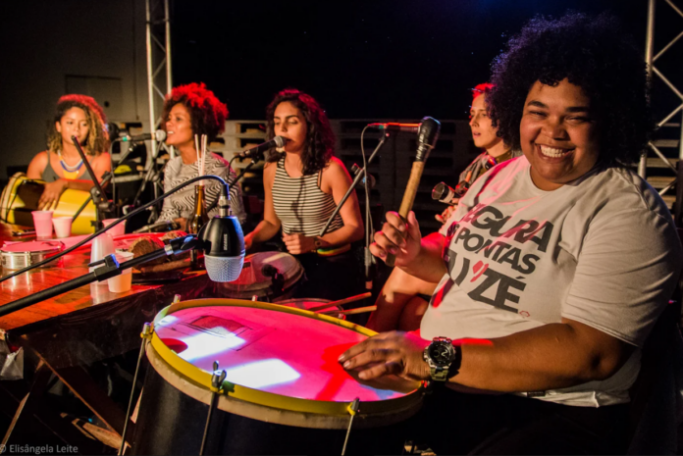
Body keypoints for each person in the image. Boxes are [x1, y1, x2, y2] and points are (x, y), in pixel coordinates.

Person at [340, 13, 683, 454]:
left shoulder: (628, 212)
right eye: (537, 112)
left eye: (574, 118)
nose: (552, 132)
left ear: (610, 121)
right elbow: (455, 268)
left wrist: (430, 357)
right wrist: (414, 256)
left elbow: (590, 352)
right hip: (451, 384)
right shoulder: (500, 176)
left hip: (548, 409)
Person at [367, 83, 520, 332]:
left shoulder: (522, 165)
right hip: (461, 257)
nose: (473, 122)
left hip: (492, 264)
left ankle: (366, 345)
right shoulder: (475, 167)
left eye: (485, 113)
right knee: (412, 312)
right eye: (472, 114)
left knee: (403, 276)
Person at [244, 88, 364, 300]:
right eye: (277, 121)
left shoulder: (330, 169)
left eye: (292, 121)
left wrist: (315, 242)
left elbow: (356, 228)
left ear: (310, 126)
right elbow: (271, 223)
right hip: (292, 263)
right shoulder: (271, 169)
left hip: (331, 262)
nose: (282, 128)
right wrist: (250, 238)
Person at [157, 82, 246, 228]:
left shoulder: (218, 168)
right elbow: (168, 213)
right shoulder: (172, 166)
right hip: (180, 244)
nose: (168, 124)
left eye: (178, 119)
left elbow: (237, 220)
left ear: (198, 124)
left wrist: (191, 225)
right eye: (169, 118)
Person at [27, 94, 112, 210]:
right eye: (70, 123)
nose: (76, 129)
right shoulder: (41, 160)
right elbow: (29, 198)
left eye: (84, 124)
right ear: (58, 126)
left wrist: (64, 183)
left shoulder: (101, 158)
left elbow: (99, 186)